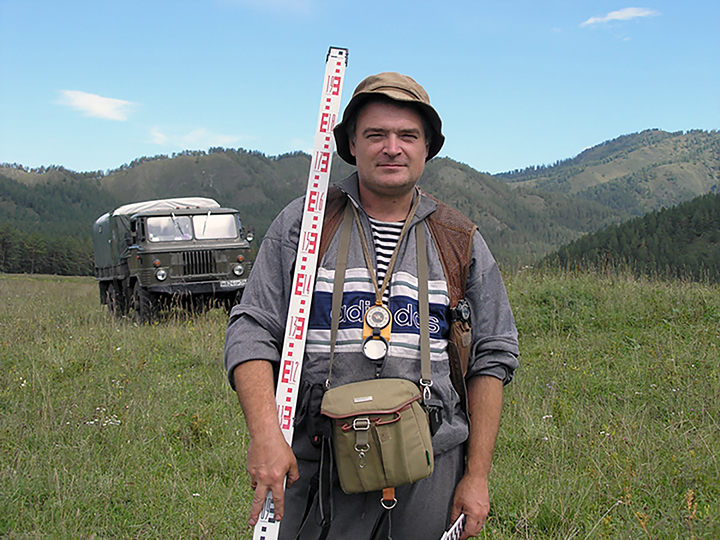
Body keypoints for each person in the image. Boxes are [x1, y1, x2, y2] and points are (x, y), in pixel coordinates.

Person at [225, 72, 519, 540]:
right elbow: (251, 329)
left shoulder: (459, 239)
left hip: (429, 473)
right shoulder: (304, 226)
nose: (392, 147)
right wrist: (265, 434)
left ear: (427, 148)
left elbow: (493, 355)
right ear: (352, 145)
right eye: (376, 135)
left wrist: (476, 475)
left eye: (407, 136)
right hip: (315, 468)